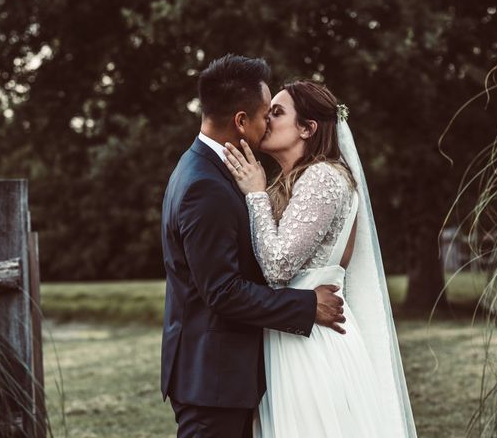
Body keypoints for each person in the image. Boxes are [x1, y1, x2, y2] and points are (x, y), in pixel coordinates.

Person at [160, 55, 347, 438]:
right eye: (266, 114)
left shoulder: (209, 170)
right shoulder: (204, 186)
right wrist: (308, 305)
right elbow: (223, 292)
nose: (268, 125)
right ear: (241, 121)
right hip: (213, 381)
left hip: (224, 377)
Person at [222, 80, 418, 437]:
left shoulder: (323, 176)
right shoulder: (289, 182)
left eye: (277, 113)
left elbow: (278, 266)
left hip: (314, 344)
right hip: (291, 334)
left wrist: (254, 195)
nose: (265, 120)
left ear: (307, 128)